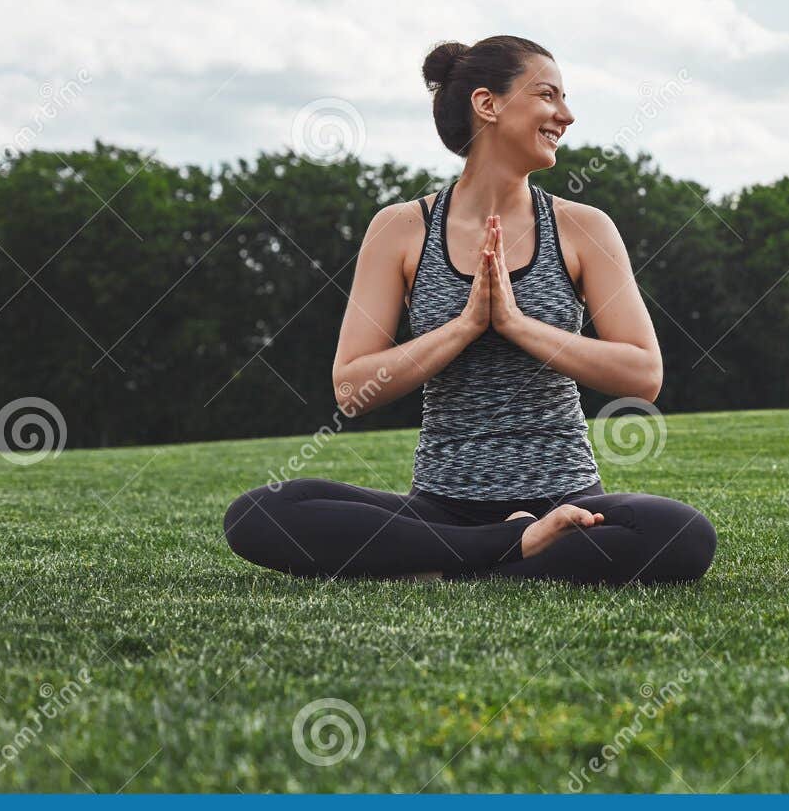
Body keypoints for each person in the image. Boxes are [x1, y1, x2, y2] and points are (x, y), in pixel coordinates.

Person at [224, 36, 716, 584]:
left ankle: (456, 563)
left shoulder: (584, 227)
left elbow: (643, 375)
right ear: (489, 104)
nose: (567, 115)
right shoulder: (401, 228)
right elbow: (350, 388)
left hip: (569, 500)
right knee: (260, 513)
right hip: (441, 508)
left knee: (684, 534)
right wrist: (463, 328)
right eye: (548, 95)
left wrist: (516, 325)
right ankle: (509, 546)